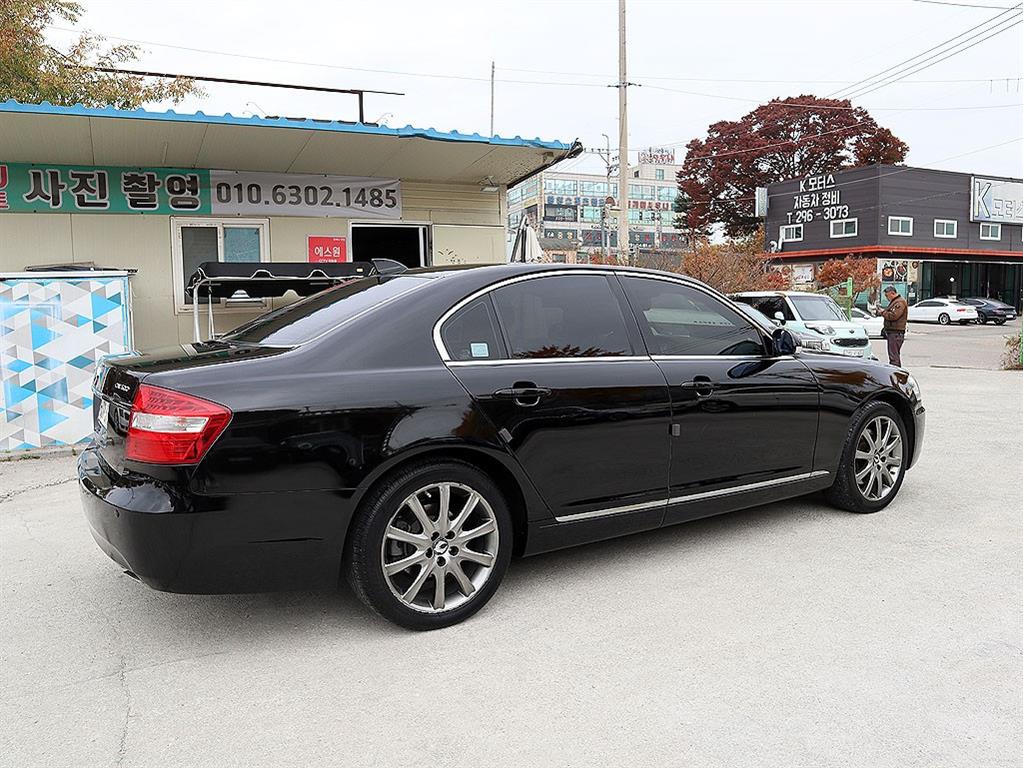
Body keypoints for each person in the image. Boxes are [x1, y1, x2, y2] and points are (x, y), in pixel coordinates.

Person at [876, 286, 908, 366]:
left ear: (892, 293)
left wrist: (883, 312)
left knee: (894, 356)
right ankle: (895, 370)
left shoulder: (899, 302)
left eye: (887, 295)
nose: (886, 298)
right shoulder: (895, 301)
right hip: (893, 332)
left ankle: (895, 371)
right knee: (894, 355)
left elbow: (894, 316)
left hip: (896, 333)